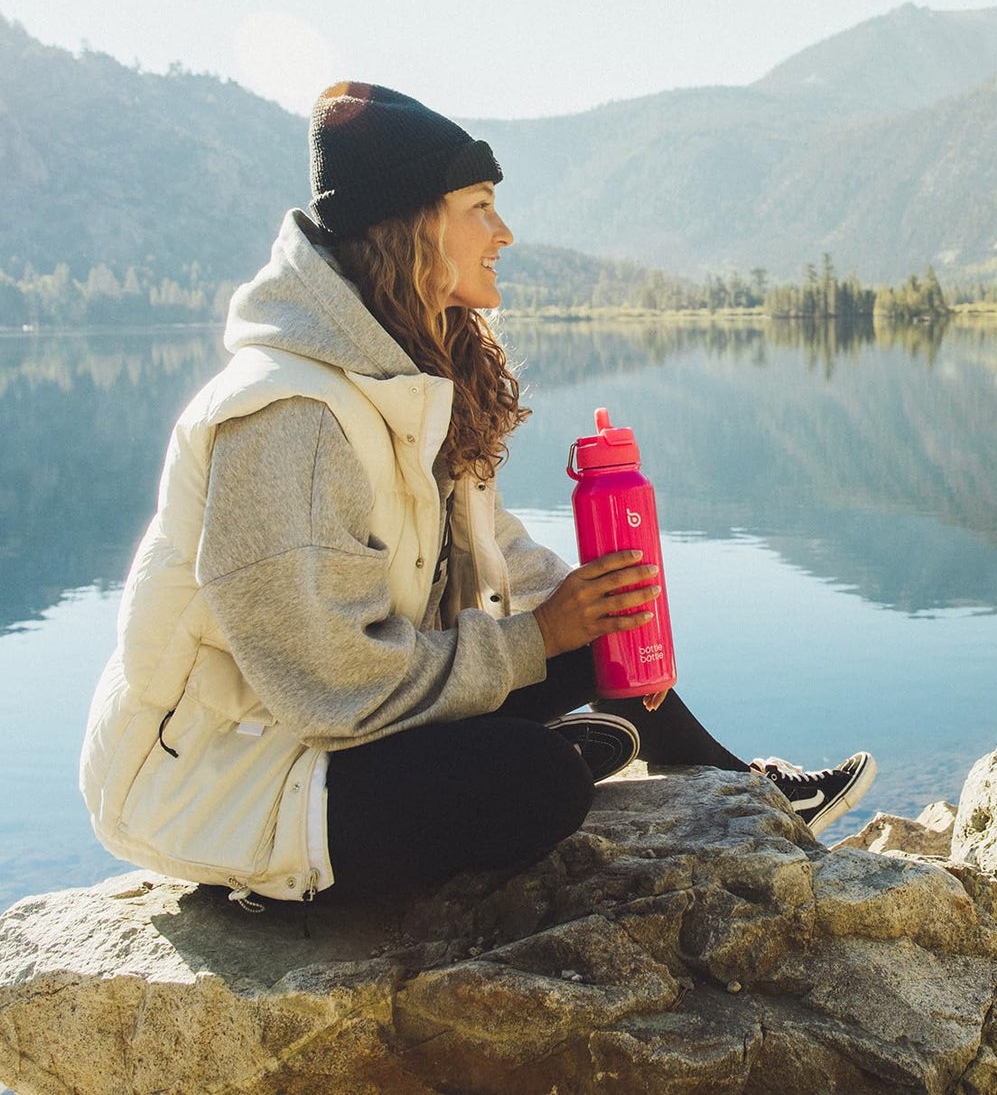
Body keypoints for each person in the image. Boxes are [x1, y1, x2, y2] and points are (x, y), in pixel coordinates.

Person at [80, 81, 876, 906]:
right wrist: (538, 639)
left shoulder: (410, 370)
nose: (504, 232)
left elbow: (504, 560)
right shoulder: (289, 417)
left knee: (602, 634)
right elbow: (332, 682)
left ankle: (730, 781)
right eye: (480, 207)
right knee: (536, 784)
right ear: (414, 224)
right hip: (235, 773)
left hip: (341, 721)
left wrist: (595, 618)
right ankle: (293, 876)